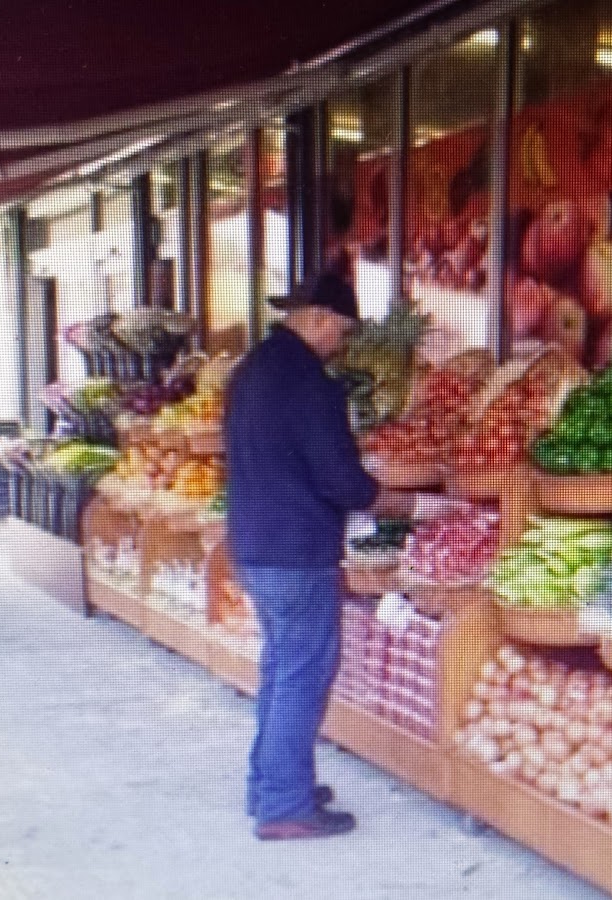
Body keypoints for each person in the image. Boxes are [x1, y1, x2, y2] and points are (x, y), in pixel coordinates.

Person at [224, 272, 381, 841]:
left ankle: (270, 784)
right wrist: (372, 492)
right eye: (341, 331)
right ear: (319, 320)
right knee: (301, 675)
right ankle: (286, 806)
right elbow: (337, 476)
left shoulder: (251, 369)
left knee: (279, 670)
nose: (341, 343)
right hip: (297, 552)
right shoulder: (311, 383)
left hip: (254, 544)